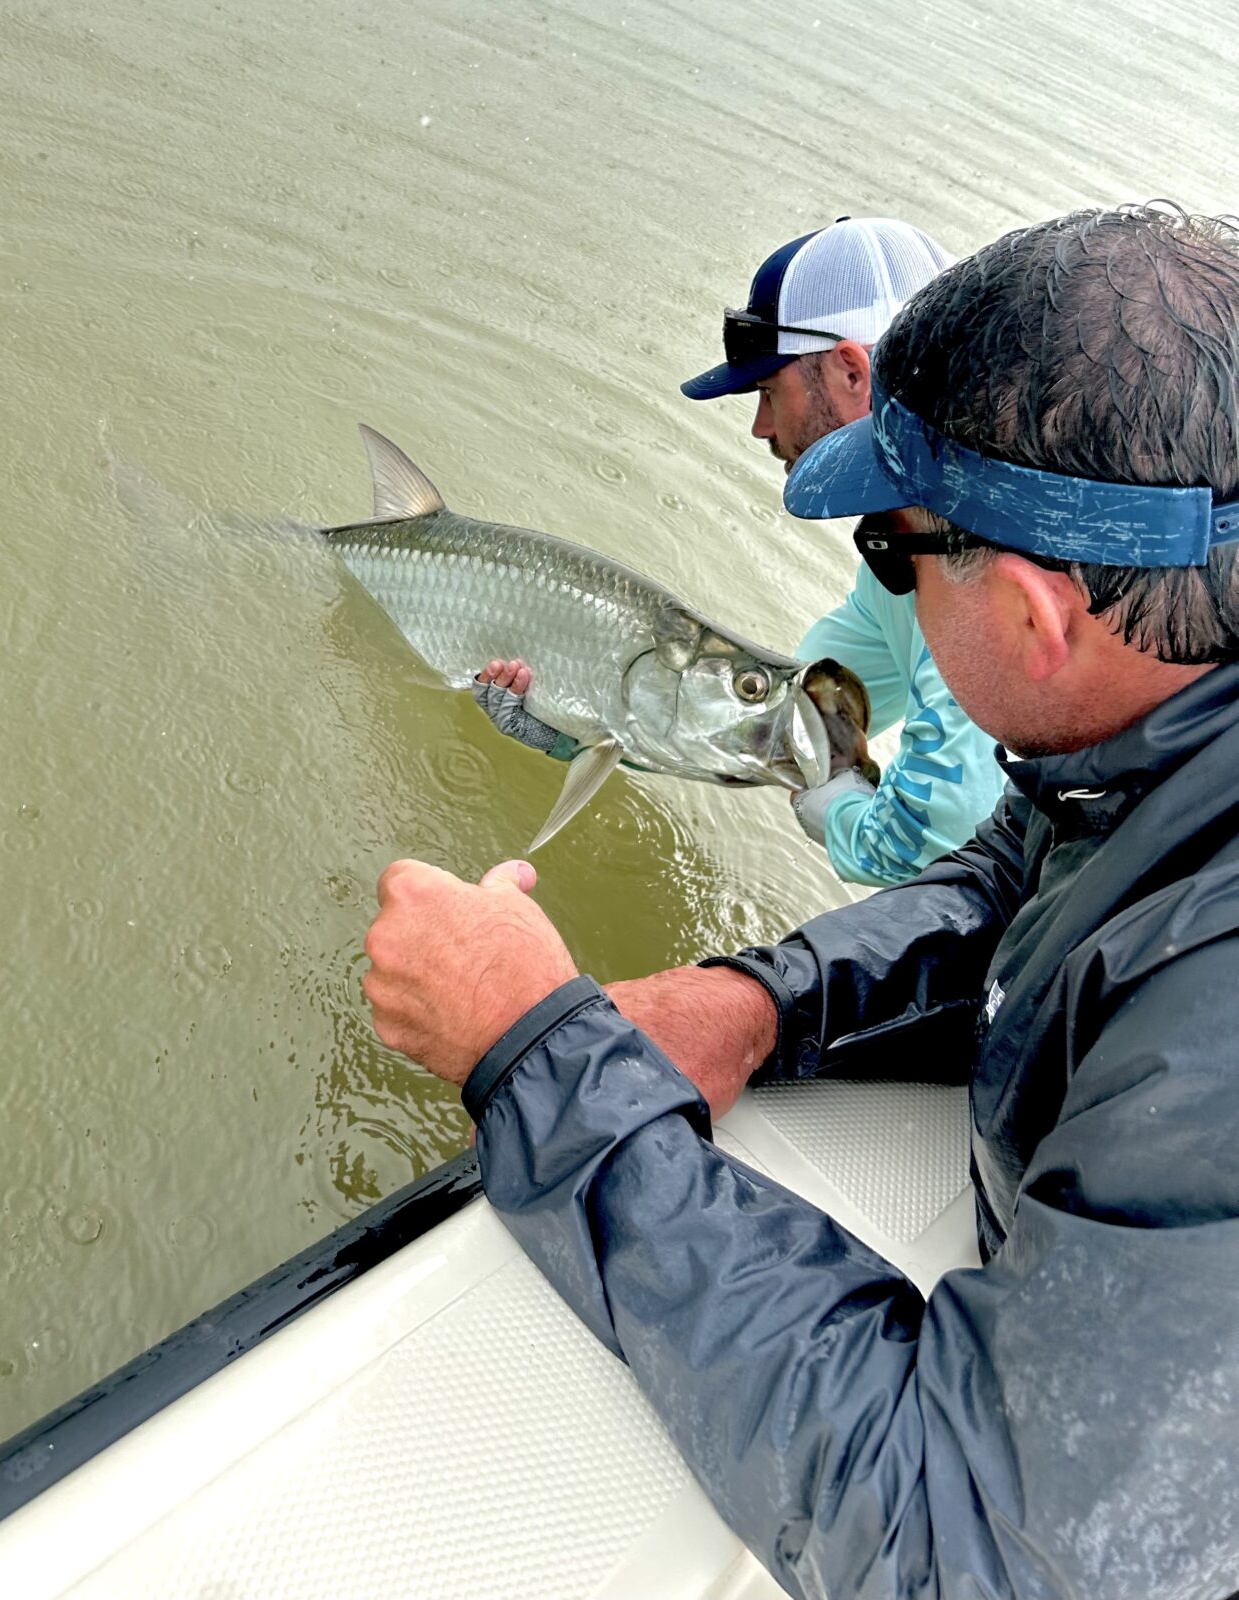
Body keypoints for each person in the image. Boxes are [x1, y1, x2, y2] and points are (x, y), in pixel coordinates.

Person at [363, 205, 1239, 1598]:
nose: (873, 588)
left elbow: (968, 1545)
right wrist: (761, 996)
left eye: (891, 550)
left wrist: (543, 1063)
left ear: (1029, 613)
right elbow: (1013, 880)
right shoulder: (1150, 744)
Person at [474, 216, 1005, 886]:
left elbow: (928, 840)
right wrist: (573, 724)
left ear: (850, 371)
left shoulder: (983, 566)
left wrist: (830, 806)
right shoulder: (899, 561)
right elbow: (765, 726)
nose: (760, 428)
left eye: (766, 391)